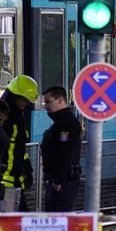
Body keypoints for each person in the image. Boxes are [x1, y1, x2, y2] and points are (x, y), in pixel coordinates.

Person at [38, 85, 84, 213]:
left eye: (48, 101)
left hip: (63, 181)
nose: (45, 106)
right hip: (59, 179)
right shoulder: (61, 123)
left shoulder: (66, 124)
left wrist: (58, 180)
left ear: (60, 100)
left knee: (58, 217)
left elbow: (66, 152)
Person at [0, 75, 39, 210]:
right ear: (17, 97)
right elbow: (5, 150)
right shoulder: (5, 119)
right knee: (10, 224)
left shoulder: (17, 118)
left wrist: (26, 168)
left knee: (20, 220)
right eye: (26, 100)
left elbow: (18, 149)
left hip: (12, 180)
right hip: (5, 182)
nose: (27, 104)